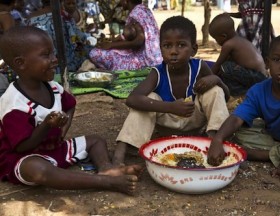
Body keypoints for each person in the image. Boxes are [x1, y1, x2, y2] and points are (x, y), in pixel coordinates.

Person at [0, 26, 143, 194]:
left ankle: (106, 168)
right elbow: (22, 146)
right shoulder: (14, 104)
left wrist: (62, 130)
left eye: (53, 53)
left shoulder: (53, 88)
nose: (54, 59)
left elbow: (71, 104)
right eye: (46, 55)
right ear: (20, 63)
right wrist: (46, 124)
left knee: (96, 140)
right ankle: (105, 182)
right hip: (24, 157)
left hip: (55, 149)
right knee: (38, 170)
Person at [112, 16, 230, 165]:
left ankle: (217, 142)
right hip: (166, 126)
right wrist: (171, 107)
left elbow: (225, 97)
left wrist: (217, 80)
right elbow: (132, 99)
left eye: (181, 45)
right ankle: (119, 156)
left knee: (214, 91)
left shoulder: (200, 67)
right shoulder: (157, 73)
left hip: (195, 124)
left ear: (193, 49)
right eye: (167, 46)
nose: (173, 51)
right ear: (160, 48)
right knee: (149, 97)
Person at [207, 33, 280, 182]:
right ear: (268, 63)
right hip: (272, 134)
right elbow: (237, 118)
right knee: (239, 132)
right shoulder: (259, 90)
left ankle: (266, 155)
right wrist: (217, 140)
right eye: (277, 60)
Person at [89, 0, 162, 71]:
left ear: (126, 1)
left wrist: (111, 45)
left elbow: (138, 42)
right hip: (156, 58)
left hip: (146, 62)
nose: (120, 2)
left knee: (95, 53)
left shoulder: (135, 14)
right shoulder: (145, 10)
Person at [209, 13, 268, 96]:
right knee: (226, 68)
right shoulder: (239, 40)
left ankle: (242, 93)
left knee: (225, 67)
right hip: (261, 76)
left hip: (256, 76)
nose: (216, 42)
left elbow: (218, 65)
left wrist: (207, 78)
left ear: (223, 36)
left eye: (216, 39)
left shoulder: (228, 44)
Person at [27, 0, 92, 72]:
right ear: (60, 2)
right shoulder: (64, 16)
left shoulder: (31, 17)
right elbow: (79, 37)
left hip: (42, 65)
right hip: (64, 65)